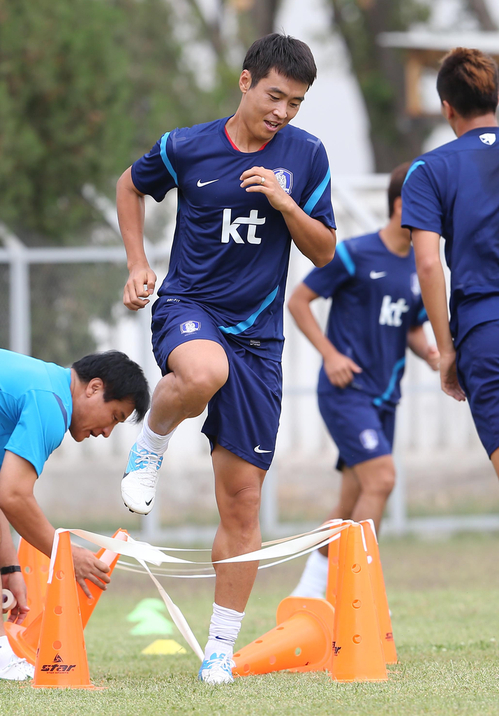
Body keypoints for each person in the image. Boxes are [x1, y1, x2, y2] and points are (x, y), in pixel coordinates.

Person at [116, 33, 336, 683]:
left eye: (295, 103)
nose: (283, 112)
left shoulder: (307, 156)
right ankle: (151, 441)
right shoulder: (187, 145)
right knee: (203, 371)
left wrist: (286, 203)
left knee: (242, 504)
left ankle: (219, 649)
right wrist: (137, 263)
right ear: (245, 83)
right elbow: (130, 186)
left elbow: (324, 253)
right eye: (274, 96)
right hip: (189, 308)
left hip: (259, 339)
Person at [288, 163, 439, 599]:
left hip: (385, 397)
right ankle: (359, 596)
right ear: (401, 206)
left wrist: (428, 350)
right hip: (346, 392)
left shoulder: (419, 266)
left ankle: (307, 595)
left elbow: (409, 324)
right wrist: (330, 354)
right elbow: (299, 301)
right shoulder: (354, 253)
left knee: (349, 505)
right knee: (382, 481)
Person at [0, 349, 149, 680]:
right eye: (114, 416)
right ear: (93, 388)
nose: (108, 432)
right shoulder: (50, 403)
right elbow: (13, 494)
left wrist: (10, 569)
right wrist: (64, 555)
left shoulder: (42, 384)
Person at [402, 48, 499, 478]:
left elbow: (427, 265)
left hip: (485, 328)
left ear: (446, 107)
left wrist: (446, 351)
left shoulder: (428, 170)